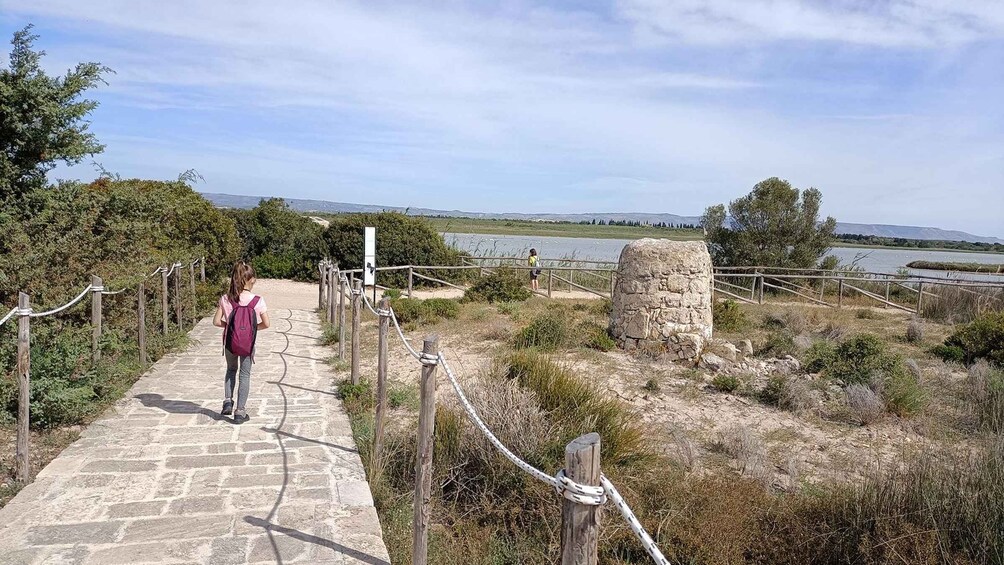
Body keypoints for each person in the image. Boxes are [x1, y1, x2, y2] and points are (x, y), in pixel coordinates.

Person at [213, 261, 269, 424]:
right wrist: (251, 329)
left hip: (230, 342)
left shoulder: (226, 298)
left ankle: (227, 402)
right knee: (245, 375)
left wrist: (230, 327)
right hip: (248, 344)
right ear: (250, 280)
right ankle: (240, 411)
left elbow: (216, 321)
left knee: (231, 369)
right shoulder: (257, 300)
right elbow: (266, 323)